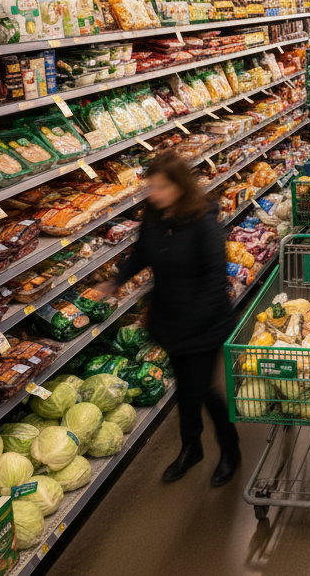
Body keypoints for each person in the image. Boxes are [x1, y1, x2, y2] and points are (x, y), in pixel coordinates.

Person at [113, 152, 240, 486]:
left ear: (179, 186)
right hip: (170, 320)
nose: (153, 193)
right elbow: (142, 254)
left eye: (160, 187)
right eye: (150, 186)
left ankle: (230, 450)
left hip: (205, 322)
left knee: (202, 390)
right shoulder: (155, 215)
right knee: (185, 389)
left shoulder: (203, 221)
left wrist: (191, 318)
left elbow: (215, 278)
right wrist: (114, 281)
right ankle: (191, 447)